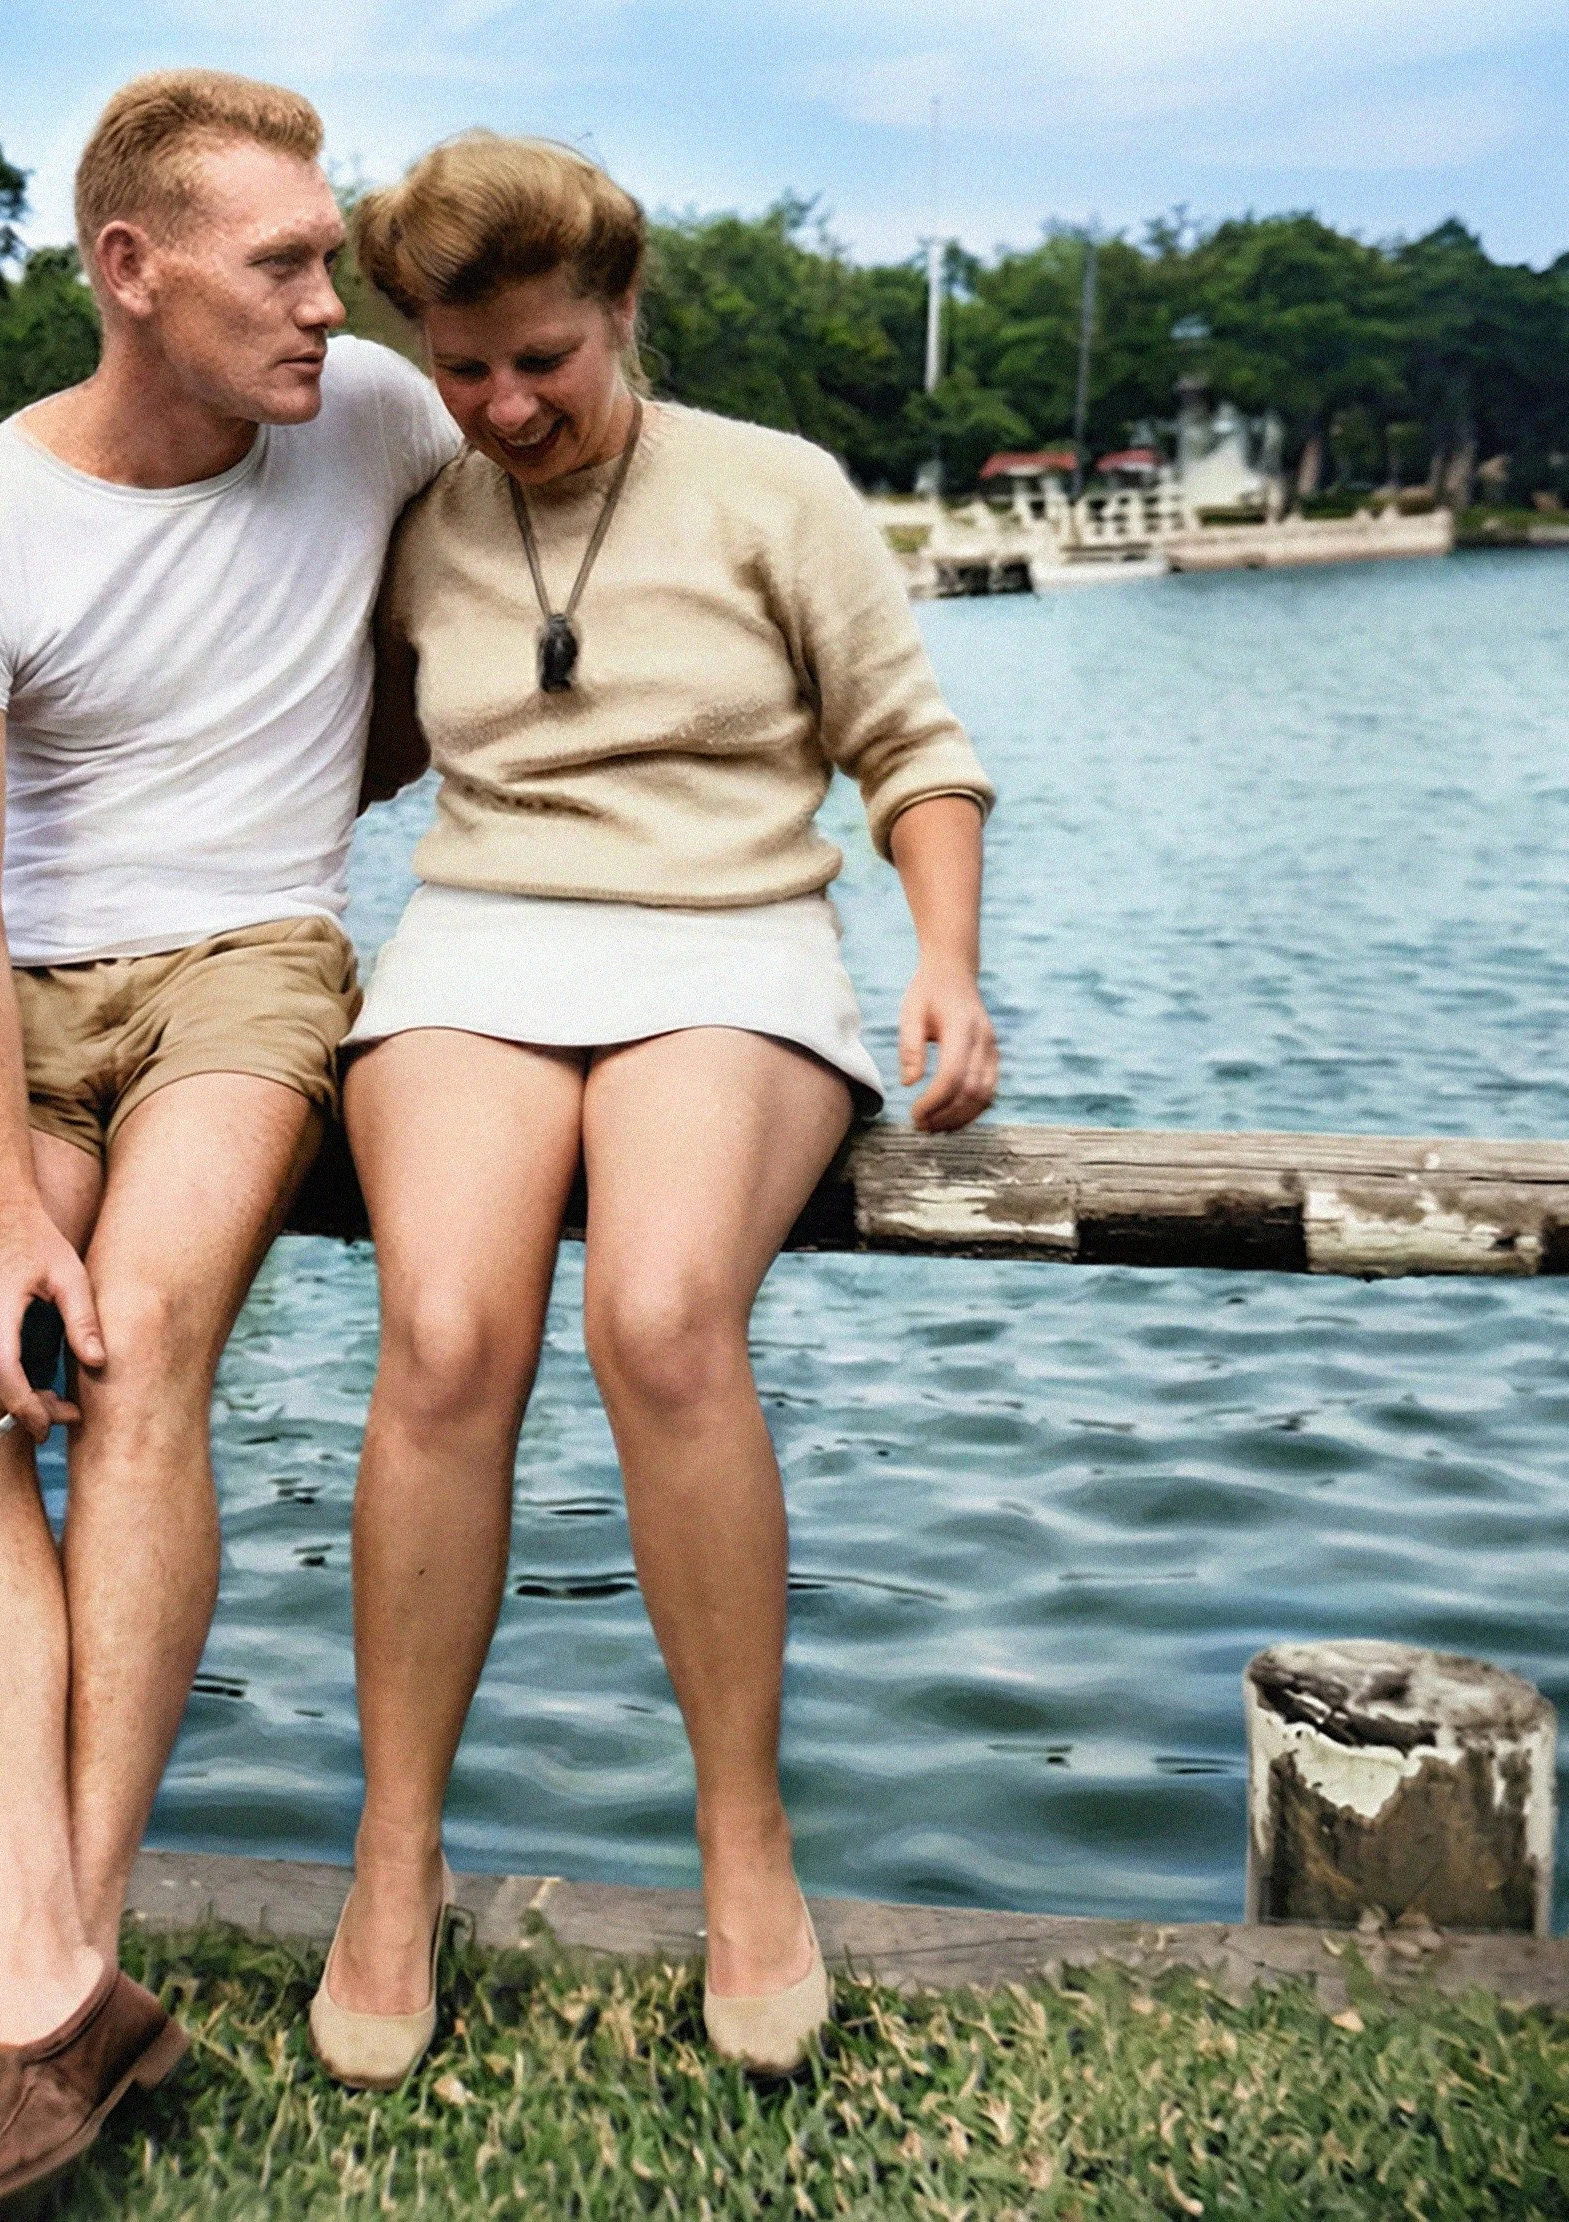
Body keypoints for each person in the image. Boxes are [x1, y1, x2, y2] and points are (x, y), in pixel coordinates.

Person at [309, 134, 998, 2087]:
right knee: (446, 1334)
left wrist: (943, 958)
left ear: (624, 313)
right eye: (463, 370)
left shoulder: (775, 490)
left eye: (547, 359)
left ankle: (745, 1847)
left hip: (733, 944)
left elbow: (914, 753)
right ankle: (393, 1855)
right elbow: (332, 749)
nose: (508, 407)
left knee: (663, 1317)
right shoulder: (426, 515)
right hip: (482, 947)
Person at [0, 70, 455, 2218]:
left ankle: (36, 1982)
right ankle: (45, 1981)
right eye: (283, 261)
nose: (328, 298)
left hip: (252, 962)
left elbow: (507, 584)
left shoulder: (381, 415)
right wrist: (8, 1199)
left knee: (139, 1341)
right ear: (133, 272)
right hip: (15, 986)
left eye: (331, 251)